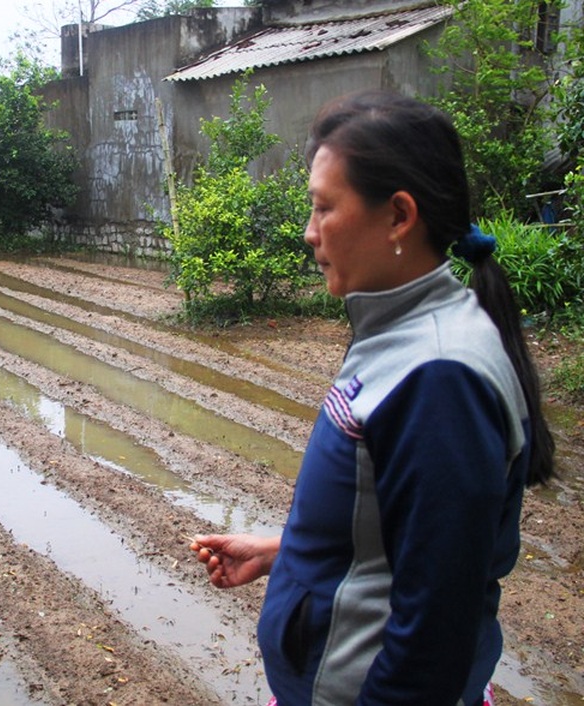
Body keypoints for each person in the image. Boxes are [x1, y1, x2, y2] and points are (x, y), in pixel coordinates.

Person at [190, 90, 555, 706]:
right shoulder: (396, 331)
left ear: (398, 216)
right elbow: (402, 531)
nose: (309, 234)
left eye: (323, 208)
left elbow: (434, 630)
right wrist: (288, 552)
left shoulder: (440, 377)